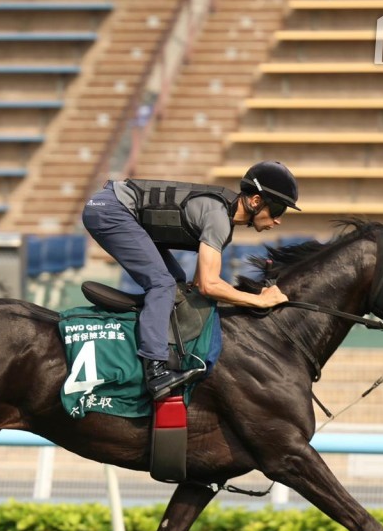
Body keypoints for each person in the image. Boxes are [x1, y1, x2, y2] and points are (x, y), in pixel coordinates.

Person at [82, 160, 301, 400]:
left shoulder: (224, 219)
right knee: (162, 284)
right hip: (110, 209)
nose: (278, 220)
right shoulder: (219, 218)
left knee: (176, 281)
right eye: (278, 209)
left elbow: (198, 283)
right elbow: (208, 285)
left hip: (117, 208)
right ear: (256, 201)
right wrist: (259, 300)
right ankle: (155, 370)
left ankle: (158, 342)